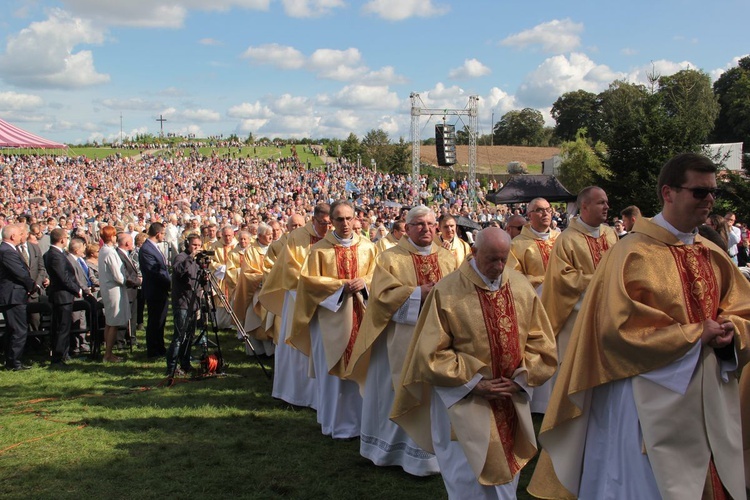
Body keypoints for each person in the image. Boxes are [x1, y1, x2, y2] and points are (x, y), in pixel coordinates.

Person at [529, 152, 750, 500]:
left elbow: (743, 310)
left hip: (706, 392)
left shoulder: (712, 252)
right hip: (644, 400)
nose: (709, 200)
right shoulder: (632, 253)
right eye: (699, 192)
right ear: (668, 192)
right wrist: (695, 335)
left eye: (713, 193)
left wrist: (729, 334)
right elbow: (615, 332)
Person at [392, 227, 557, 499]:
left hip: (509, 396)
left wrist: (519, 379)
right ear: (474, 252)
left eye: (504, 258)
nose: (499, 266)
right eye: (492, 259)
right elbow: (431, 353)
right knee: (468, 477)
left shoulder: (519, 285)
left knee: (506, 474)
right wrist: (474, 383)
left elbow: (542, 342)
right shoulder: (447, 292)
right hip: (463, 399)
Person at [346, 206, 456, 475]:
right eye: (419, 224)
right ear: (406, 228)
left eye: (431, 224)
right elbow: (382, 298)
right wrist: (419, 293)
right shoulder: (390, 258)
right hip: (400, 338)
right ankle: (392, 451)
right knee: (394, 390)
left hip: (441, 339)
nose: (426, 229)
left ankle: (434, 453)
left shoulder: (449, 258)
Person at [289, 200, 376, 439]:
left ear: (356, 219)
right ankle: (335, 425)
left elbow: (379, 273)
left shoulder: (368, 247)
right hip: (330, 320)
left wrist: (365, 281)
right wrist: (341, 287)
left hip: (362, 316)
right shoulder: (320, 250)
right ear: (331, 222)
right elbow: (308, 282)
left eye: (349, 218)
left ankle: (364, 425)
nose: (345, 223)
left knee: (363, 367)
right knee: (334, 377)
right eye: (339, 219)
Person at [258, 204, 330, 409]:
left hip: (329, 300)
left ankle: (322, 395)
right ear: (314, 220)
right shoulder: (297, 238)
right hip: (299, 297)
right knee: (295, 346)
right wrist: (317, 287)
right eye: (323, 223)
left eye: (329, 223)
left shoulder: (333, 237)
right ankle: (295, 394)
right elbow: (291, 270)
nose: (327, 228)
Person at [541, 186, 617, 370]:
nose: (606, 206)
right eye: (601, 203)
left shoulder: (611, 234)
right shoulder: (567, 239)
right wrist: (599, 281)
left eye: (606, 202)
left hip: (611, 314)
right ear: (585, 206)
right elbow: (562, 279)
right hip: (577, 318)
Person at [0, 224, 37, 370]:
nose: (23, 236)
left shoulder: (7, 250)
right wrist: (32, 286)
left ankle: (11, 361)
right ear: (13, 236)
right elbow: (20, 273)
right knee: (18, 330)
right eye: (20, 234)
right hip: (12, 296)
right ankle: (14, 362)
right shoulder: (7, 251)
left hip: (13, 295)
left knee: (13, 329)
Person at [44, 228, 82, 367]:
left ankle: (64, 353)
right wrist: (76, 289)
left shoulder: (53, 253)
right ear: (62, 239)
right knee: (62, 327)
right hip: (62, 295)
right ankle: (58, 357)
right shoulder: (55, 255)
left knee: (63, 326)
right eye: (66, 237)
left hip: (63, 295)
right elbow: (63, 277)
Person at [166, 234, 201, 377]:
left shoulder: (197, 261)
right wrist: (191, 257)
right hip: (182, 302)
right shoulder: (181, 257)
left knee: (190, 336)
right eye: (194, 245)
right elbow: (179, 271)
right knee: (180, 335)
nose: (197, 248)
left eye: (199, 246)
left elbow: (198, 280)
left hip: (194, 301)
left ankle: (185, 363)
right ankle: (172, 367)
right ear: (188, 245)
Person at [507, 197, 559, 292]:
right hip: (535, 296)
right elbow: (513, 276)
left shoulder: (561, 239)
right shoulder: (516, 244)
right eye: (539, 210)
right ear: (529, 216)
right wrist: (542, 282)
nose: (545, 213)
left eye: (548, 210)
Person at [139, 222, 171, 359]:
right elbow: (154, 271)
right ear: (158, 233)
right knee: (154, 321)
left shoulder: (154, 247)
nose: (164, 236)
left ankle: (160, 347)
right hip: (154, 290)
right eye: (163, 233)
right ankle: (153, 350)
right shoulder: (146, 249)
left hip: (160, 289)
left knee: (161, 320)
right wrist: (170, 281)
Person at [98, 226, 129, 363]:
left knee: (109, 322)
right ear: (111, 237)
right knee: (113, 322)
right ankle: (108, 354)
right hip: (114, 288)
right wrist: (129, 281)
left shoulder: (104, 251)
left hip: (109, 288)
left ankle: (108, 352)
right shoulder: (109, 252)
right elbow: (117, 274)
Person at [210, 225, 240, 329]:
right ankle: (222, 324)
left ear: (233, 235)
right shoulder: (215, 246)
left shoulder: (238, 245)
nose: (227, 238)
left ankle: (234, 325)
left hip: (234, 278)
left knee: (235, 300)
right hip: (221, 278)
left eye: (229, 236)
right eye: (225, 236)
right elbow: (210, 260)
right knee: (221, 300)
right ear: (222, 235)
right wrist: (220, 267)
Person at [116, 232, 142, 348]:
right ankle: (120, 341)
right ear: (127, 243)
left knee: (132, 316)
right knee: (125, 317)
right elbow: (125, 275)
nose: (133, 244)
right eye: (131, 241)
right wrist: (138, 281)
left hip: (132, 290)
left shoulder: (126, 254)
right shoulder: (119, 255)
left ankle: (131, 338)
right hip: (127, 289)